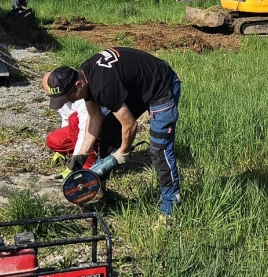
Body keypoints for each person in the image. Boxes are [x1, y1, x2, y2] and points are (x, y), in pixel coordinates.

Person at [42, 47, 181, 216]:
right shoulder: (84, 75)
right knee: (107, 128)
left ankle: (171, 208)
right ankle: (98, 188)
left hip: (161, 85)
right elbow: (95, 118)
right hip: (136, 88)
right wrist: (82, 154)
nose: (69, 102)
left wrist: (122, 152)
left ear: (79, 84)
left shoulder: (102, 85)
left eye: (69, 97)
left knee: (160, 149)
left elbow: (130, 125)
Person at [45, 98, 121, 172]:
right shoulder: (60, 99)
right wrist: (62, 151)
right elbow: (66, 121)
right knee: (53, 140)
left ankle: (88, 164)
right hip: (78, 127)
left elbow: (84, 131)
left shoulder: (81, 99)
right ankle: (88, 151)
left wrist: (75, 164)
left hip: (102, 127)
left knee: (74, 119)